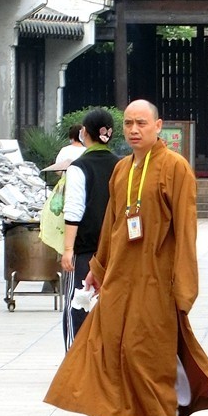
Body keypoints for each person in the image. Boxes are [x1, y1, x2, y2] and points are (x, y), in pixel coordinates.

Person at [44, 99, 208, 416]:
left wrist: (184, 284)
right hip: (122, 277)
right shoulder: (122, 169)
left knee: (149, 351)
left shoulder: (175, 168)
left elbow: (186, 230)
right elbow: (113, 225)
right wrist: (97, 271)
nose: (134, 130)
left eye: (141, 123)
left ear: (158, 126)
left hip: (157, 278)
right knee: (120, 348)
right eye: (129, 123)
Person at [60, 108, 120, 349]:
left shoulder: (78, 167)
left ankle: (77, 361)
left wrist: (67, 249)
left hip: (86, 250)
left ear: (84, 133)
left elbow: (73, 210)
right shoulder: (122, 166)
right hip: (116, 250)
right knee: (111, 306)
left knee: (79, 303)